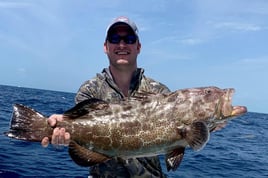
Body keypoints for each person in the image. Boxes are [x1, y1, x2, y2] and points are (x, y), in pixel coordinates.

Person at [41, 16, 170, 177]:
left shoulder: (160, 93)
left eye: (129, 39)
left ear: (138, 47)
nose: (122, 44)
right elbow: (80, 141)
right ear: (105, 46)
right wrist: (61, 131)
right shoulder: (90, 90)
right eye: (115, 39)